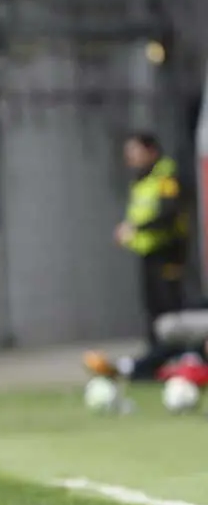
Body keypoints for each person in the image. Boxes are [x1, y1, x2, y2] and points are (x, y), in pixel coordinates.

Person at [84, 132, 189, 381]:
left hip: (168, 253)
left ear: (151, 151)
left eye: (135, 151)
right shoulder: (142, 179)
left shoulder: (165, 176)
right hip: (148, 253)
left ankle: (175, 361)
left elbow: (169, 214)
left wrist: (136, 229)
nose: (129, 157)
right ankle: (155, 363)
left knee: (170, 311)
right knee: (153, 310)